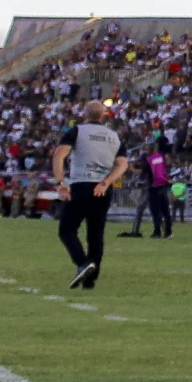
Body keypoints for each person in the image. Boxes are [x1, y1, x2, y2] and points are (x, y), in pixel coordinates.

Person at [49, 100, 131, 290]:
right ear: (103, 116)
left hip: (81, 184)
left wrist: (60, 182)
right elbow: (122, 164)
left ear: (85, 114)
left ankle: (82, 263)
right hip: (102, 189)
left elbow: (59, 155)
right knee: (96, 234)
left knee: (67, 230)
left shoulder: (77, 131)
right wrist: (107, 182)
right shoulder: (114, 136)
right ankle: (90, 280)